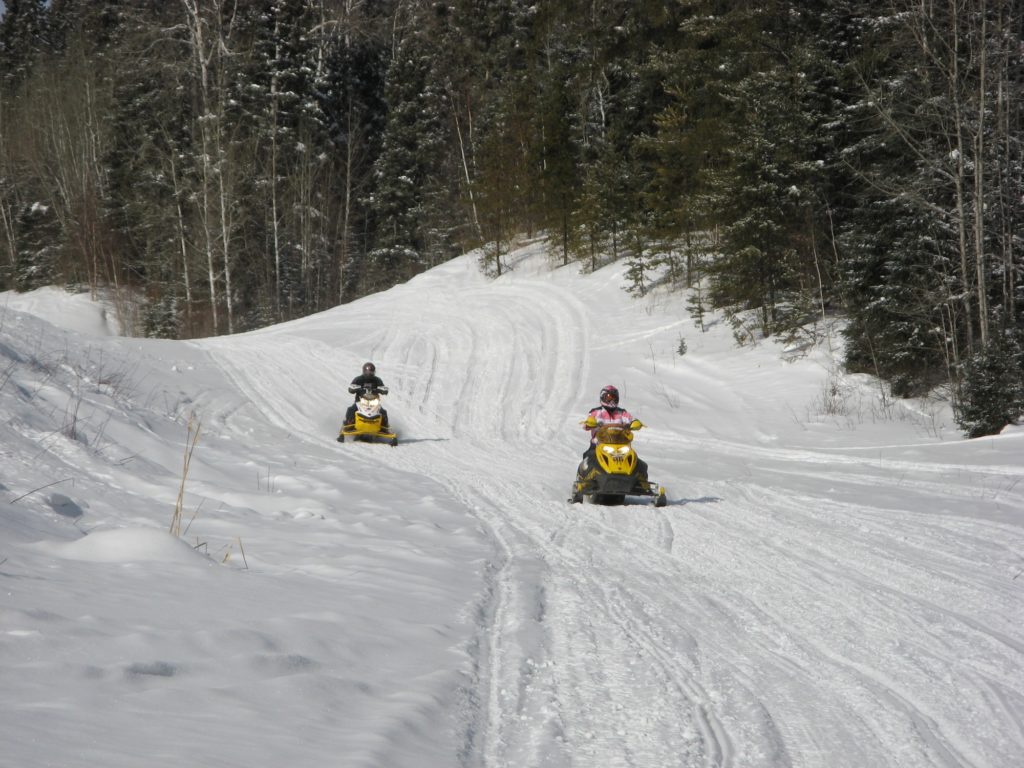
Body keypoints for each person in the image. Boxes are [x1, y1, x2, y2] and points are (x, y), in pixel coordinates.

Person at [578, 384, 648, 481]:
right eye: (609, 397)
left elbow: (631, 419)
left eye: (614, 398)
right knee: (589, 458)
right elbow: (587, 423)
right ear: (603, 397)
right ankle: (582, 482)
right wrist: (590, 423)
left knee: (636, 461)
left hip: (620, 445)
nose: (612, 400)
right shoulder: (596, 412)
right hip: (599, 444)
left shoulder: (622, 413)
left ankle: (640, 482)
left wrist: (635, 423)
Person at [344, 361, 390, 430]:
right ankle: (348, 425)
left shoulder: (377, 380)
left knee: (383, 412)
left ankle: (385, 428)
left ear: (374, 372)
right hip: (360, 401)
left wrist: (383, 390)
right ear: (363, 371)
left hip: (374, 402)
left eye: (371, 372)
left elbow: (382, 387)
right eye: (367, 372)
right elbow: (351, 387)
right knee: (351, 409)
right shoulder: (358, 379)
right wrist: (353, 388)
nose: (369, 374)